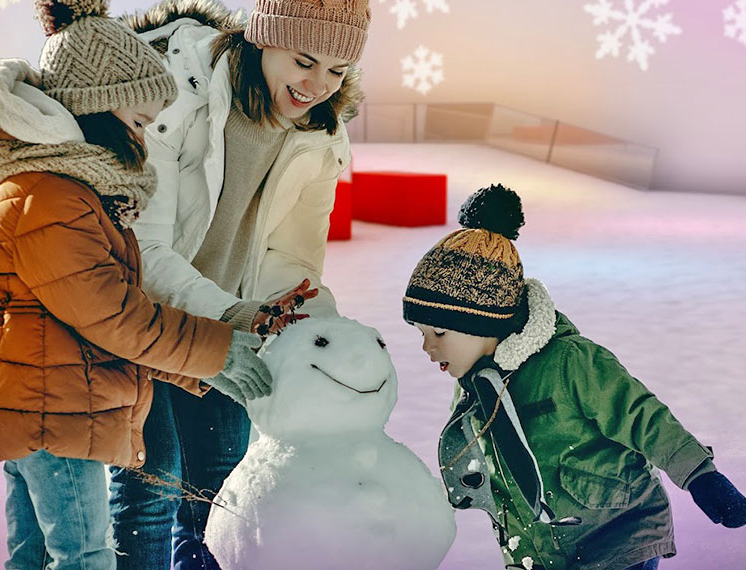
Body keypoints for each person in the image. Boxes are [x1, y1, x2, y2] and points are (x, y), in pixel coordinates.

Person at [0, 1, 272, 568]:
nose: (145, 143)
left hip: (43, 398)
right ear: (97, 110)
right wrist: (214, 351)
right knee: (85, 557)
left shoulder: (68, 192)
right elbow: (114, 317)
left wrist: (200, 369)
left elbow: (107, 321)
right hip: (52, 407)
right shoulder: (52, 199)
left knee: (34, 555)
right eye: (140, 123)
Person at [107, 0, 369, 567]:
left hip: (229, 326)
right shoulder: (179, 93)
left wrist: (302, 327)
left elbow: (291, 259)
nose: (318, 84)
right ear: (263, 39)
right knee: (153, 489)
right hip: (144, 320)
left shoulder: (320, 133)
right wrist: (231, 315)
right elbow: (142, 246)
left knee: (223, 491)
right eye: (305, 60)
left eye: (338, 71)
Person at [402, 184, 746, 570]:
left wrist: (699, 476)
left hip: (618, 536)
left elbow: (642, 416)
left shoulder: (569, 362)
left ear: (484, 322)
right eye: (422, 333)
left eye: (440, 333)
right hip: (546, 550)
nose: (428, 347)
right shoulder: (476, 387)